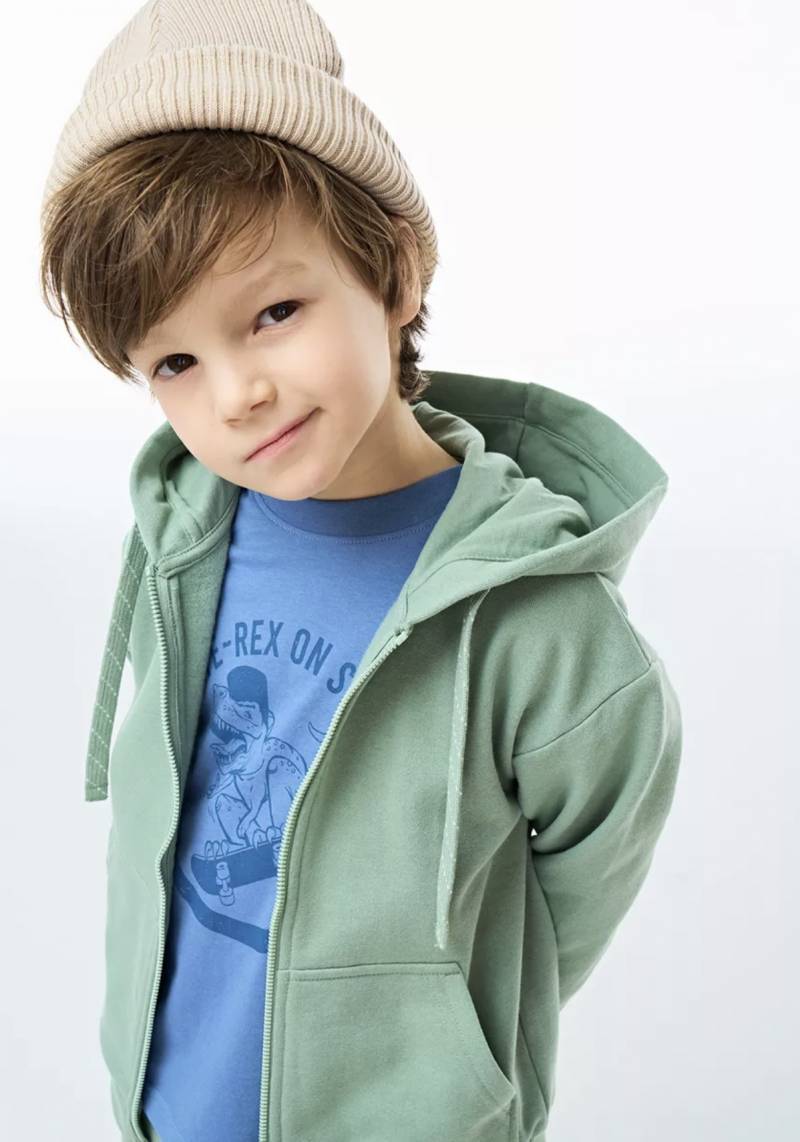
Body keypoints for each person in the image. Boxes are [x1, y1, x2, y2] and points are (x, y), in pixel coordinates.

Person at [38, 2, 683, 1141]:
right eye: (175, 361)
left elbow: (583, 878)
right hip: (167, 1104)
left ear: (392, 273)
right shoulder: (184, 540)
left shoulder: (541, 621)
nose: (237, 393)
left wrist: (447, 1036)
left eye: (274, 311)